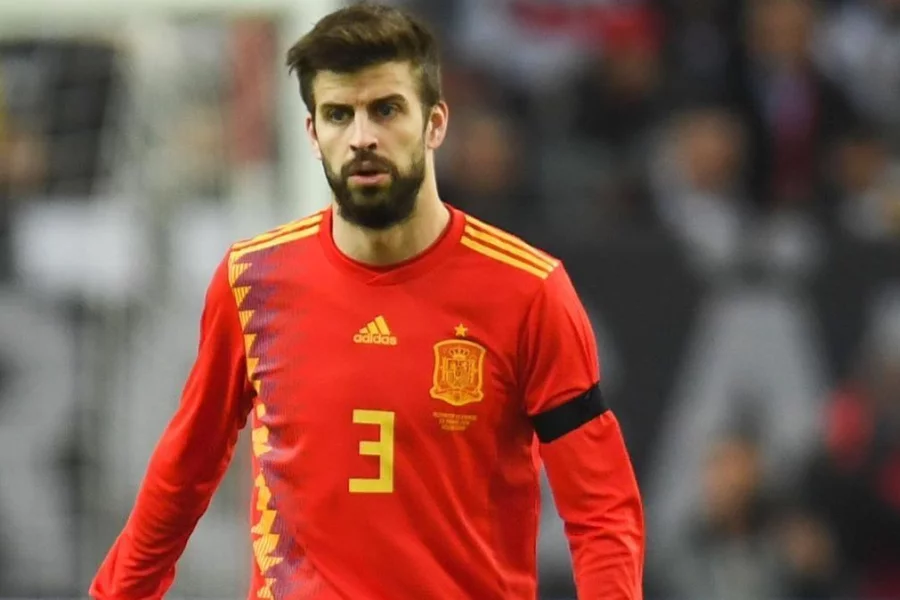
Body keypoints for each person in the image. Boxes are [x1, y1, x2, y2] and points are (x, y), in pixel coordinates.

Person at [89, 3, 644, 599]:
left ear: (435, 123)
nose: (362, 138)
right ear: (312, 134)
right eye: (339, 114)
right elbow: (183, 473)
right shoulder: (252, 281)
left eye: (386, 109)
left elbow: (601, 508)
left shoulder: (528, 291)